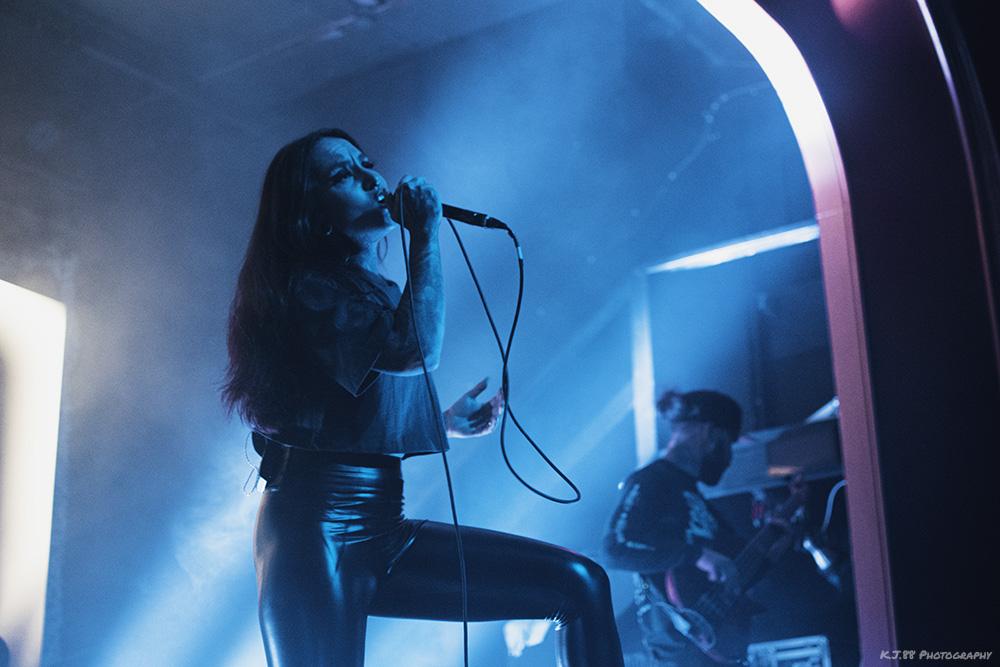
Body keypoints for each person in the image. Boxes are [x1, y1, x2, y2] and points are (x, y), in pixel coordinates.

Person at [222, 128, 624, 667]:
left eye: (367, 163)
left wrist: (446, 420)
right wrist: (426, 236)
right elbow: (414, 350)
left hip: (383, 526)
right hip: (313, 531)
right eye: (343, 175)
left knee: (578, 583)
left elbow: (349, 410)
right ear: (312, 215)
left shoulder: (377, 291)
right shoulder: (308, 289)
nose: (371, 178)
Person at [602, 389, 747, 666]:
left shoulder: (695, 497)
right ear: (709, 433)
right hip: (677, 657)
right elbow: (615, 548)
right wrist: (696, 554)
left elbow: (734, 567)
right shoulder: (650, 481)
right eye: (728, 443)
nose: (729, 457)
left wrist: (777, 540)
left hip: (715, 654)